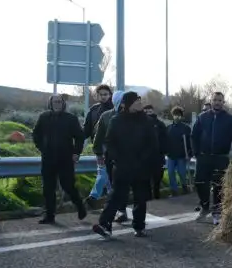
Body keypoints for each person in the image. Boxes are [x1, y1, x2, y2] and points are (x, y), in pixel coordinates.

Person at [93, 91, 160, 239]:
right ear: (127, 104)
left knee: (140, 198)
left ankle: (139, 226)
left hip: (141, 166)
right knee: (116, 196)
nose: (139, 103)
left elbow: (152, 144)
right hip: (122, 165)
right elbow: (109, 142)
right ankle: (105, 224)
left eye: (140, 101)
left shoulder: (147, 121)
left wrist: (143, 159)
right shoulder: (116, 120)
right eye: (136, 101)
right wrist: (116, 158)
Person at [32, 94, 87, 224]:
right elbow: (35, 134)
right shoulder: (44, 117)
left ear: (63, 104)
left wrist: (76, 153)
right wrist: (42, 147)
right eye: (55, 102)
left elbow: (80, 137)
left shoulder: (71, 119)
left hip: (65, 158)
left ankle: (80, 205)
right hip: (48, 158)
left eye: (59, 102)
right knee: (48, 188)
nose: (57, 104)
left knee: (68, 186)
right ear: (50, 104)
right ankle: (49, 216)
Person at [191, 92, 232, 224]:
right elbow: (194, 136)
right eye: (215, 100)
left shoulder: (229, 119)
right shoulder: (202, 117)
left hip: (221, 157)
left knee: (219, 185)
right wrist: (196, 152)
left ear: (223, 102)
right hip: (204, 156)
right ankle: (204, 207)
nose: (217, 102)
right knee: (200, 182)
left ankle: (217, 213)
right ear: (211, 101)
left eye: (219, 100)